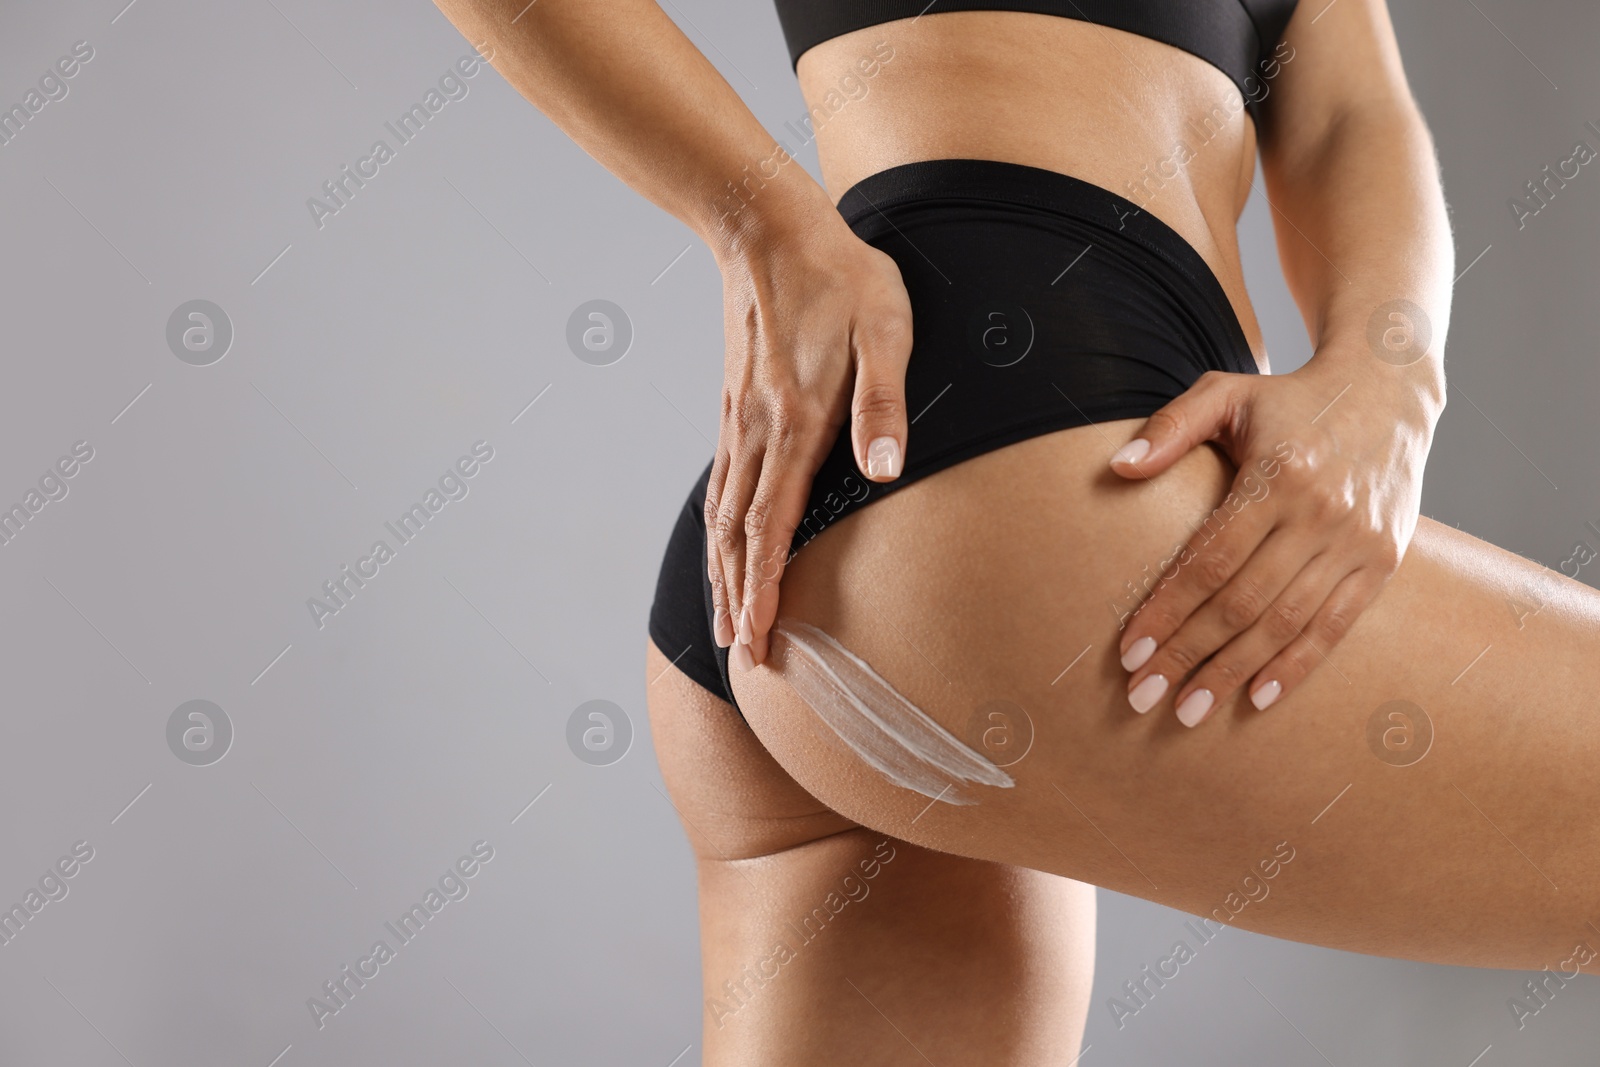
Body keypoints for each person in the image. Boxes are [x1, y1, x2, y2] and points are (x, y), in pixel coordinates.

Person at [433, 0, 1600, 1061]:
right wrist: (754, 219)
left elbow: (1349, 110)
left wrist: (1387, 372)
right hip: (1023, 458)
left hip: (890, 517)